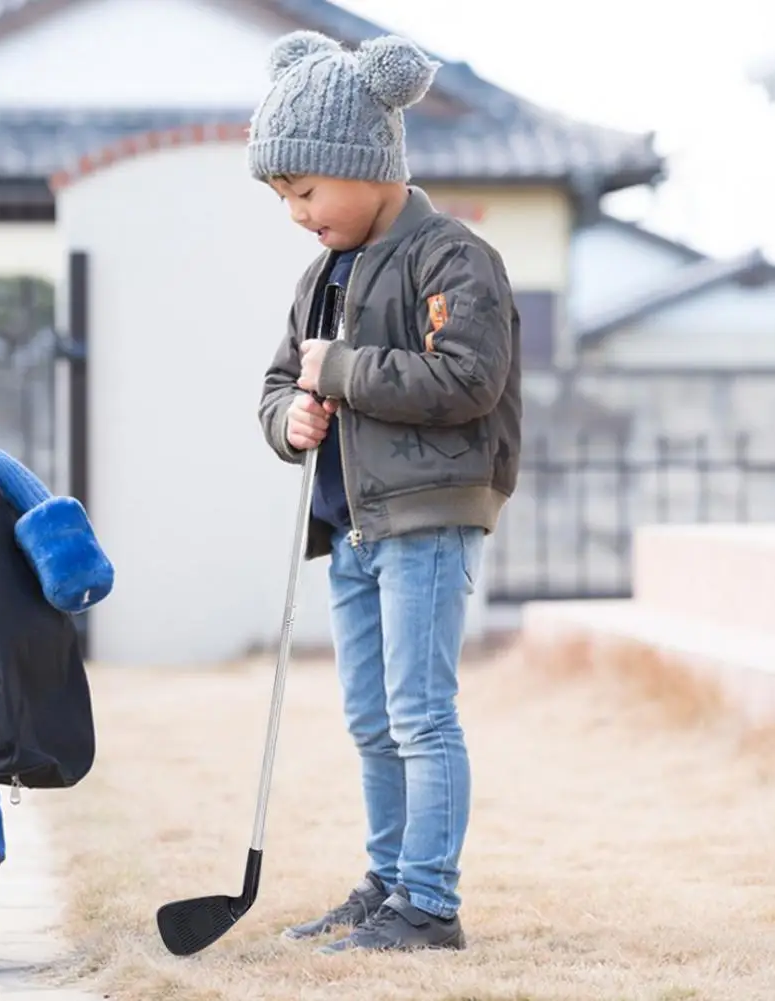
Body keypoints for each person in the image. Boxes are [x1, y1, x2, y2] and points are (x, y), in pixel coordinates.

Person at [249, 29, 522, 953]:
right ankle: (388, 880)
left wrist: (343, 370)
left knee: (419, 714)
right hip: (351, 527)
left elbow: (467, 379)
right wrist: (289, 418)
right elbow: (280, 380)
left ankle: (430, 902)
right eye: (283, 198)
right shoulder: (320, 276)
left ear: (364, 161)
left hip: (428, 519)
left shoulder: (453, 258)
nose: (296, 213)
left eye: (305, 191)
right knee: (370, 718)